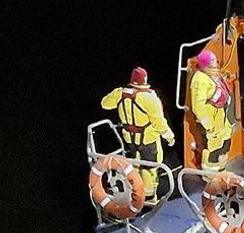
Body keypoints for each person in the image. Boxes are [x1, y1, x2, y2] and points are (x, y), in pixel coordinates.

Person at [100, 67, 175, 196]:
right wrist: (169, 137)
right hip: (148, 139)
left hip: (130, 138)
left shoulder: (120, 94)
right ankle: (149, 195)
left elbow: (105, 104)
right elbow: (159, 122)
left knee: (136, 160)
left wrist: (118, 93)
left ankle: (135, 190)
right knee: (151, 166)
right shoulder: (149, 98)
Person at [188, 50, 235, 171]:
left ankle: (220, 169)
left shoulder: (212, 74)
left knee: (222, 142)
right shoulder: (200, 80)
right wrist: (208, 124)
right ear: (206, 64)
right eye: (213, 60)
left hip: (219, 118)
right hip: (210, 121)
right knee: (213, 148)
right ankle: (210, 175)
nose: (216, 62)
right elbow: (197, 106)